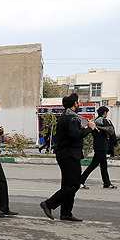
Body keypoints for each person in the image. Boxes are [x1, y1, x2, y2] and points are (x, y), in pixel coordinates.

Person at [40, 93, 96, 222]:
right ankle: (49, 204)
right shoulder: (72, 117)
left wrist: (86, 128)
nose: (79, 103)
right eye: (78, 101)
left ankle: (66, 212)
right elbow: (75, 135)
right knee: (74, 184)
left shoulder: (66, 116)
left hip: (66, 154)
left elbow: (72, 133)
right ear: (75, 103)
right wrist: (90, 129)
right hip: (69, 154)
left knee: (68, 184)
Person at [79, 106, 118, 189]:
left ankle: (107, 183)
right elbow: (111, 131)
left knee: (104, 165)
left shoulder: (94, 121)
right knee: (93, 165)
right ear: (105, 113)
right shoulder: (105, 121)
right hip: (102, 146)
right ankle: (80, 181)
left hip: (97, 145)